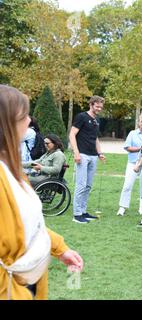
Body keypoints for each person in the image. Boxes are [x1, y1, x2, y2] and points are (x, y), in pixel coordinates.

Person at [0, 84, 83, 300]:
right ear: (6, 123)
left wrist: (60, 248)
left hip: (28, 285)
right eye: (24, 115)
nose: (29, 121)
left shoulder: (12, 168)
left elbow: (30, 225)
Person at [69, 96, 106, 224]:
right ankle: (77, 214)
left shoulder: (97, 120)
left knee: (88, 185)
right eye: (97, 106)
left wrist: (100, 153)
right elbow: (72, 134)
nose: (99, 109)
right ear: (91, 104)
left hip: (93, 156)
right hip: (82, 155)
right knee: (81, 184)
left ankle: (83, 212)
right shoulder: (81, 117)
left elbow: (95, 138)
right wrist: (76, 153)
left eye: (101, 107)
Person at [116, 118, 142, 216]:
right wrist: (139, 149)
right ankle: (122, 207)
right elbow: (127, 147)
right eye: (141, 122)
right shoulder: (132, 133)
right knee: (127, 185)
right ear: (138, 123)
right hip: (132, 163)